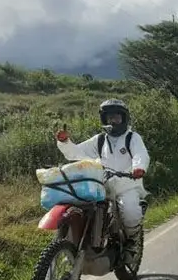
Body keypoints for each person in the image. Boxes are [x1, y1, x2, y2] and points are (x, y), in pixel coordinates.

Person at [55, 98, 149, 241]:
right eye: (109, 117)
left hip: (127, 186)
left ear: (124, 118)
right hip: (102, 185)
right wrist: (65, 142)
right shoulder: (99, 140)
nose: (112, 121)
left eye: (116, 118)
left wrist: (138, 168)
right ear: (103, 119)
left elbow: (140, 154)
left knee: (130, 213)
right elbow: (76, 153)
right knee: (84, 208)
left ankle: (132, 241)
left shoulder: (132, 138)